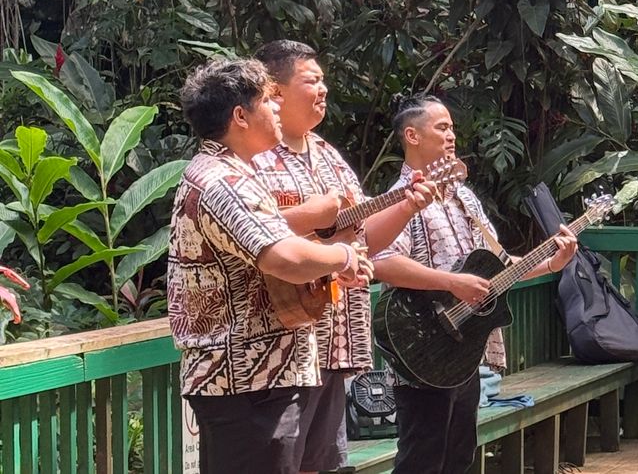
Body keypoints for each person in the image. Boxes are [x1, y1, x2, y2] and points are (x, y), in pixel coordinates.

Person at [167, 57, 374, 474]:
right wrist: (344, 256)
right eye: (267, 100)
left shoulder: (232, 174)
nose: (277, 107)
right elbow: (285, 258)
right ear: (240, 116)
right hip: (247, 383)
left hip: (258, 380)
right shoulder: (222, 182)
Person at [252, 40, 437, 474]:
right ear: (275, 91)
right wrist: (314, 223)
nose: (323, 90)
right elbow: (246, 228)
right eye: (311, 81)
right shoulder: (253, 158)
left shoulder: (327, 155)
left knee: (319, 462)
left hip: (332, 338)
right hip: (280, 343)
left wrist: (406, 207)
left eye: (324, 81)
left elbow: (363, 237)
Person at [373, 94, 579, 474]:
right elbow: (382, 262)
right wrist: (451, 282)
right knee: (422, 458)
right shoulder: (397, 200)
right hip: (420, 343)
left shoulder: (464, 199)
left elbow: (496, 268)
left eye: (452, 128)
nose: (451, 136)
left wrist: (551, 262)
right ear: (412, 136)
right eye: (442, 128)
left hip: (464, 347)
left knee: (460, 457)